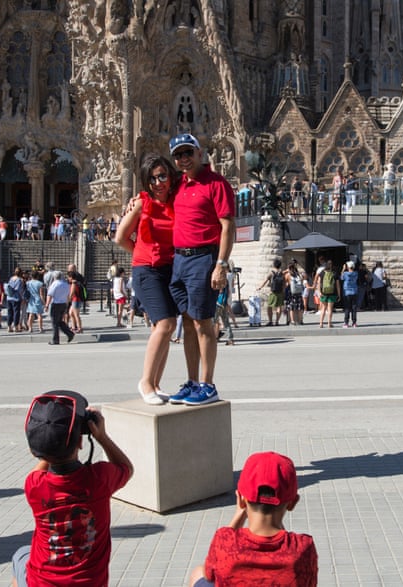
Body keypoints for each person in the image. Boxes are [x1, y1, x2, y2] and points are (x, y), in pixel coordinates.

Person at [12, 390, 133, 587]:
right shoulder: (100, 478)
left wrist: (47, 441)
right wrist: (101, 436)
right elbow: (126, 468)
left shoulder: (34, 485)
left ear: (34, 450)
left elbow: (44, 460)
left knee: (20, 556)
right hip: (91, 583)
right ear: (80, 441)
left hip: (42, 583)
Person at [166, 133, 235, 406]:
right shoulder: (179, 185)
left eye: (188, 153)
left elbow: (227, 226)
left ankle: (208, 384)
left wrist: (221, 264)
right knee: (187, 324)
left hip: (202, 259)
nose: (183, 159)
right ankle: (192, 381)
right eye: (178, 155)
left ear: (199, 153)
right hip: (179, 260)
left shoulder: (216, 183)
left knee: (203, 322)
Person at [188, 451, 318, 587]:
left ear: (240, 499)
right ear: (293, 503)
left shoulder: (224, 541)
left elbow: (209, 572)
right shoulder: (304, 547)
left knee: (197, 573)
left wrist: (239, 514)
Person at [116, 153, 180, 405]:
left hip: (168, 268)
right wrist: (142, 254)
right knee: (164, 324)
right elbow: (120, 237)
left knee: (167, 326)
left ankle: (155, 383)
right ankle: (145, 381)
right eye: (152, 178)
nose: (158, 182)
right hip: (146, 270)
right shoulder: (142, 204)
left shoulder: (175, 202)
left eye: (163, 175)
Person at [45, 271, 75, 345]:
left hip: (56, 304)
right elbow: (68, 295)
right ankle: (69, 333)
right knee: (59, 321)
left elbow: (50, 295)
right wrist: (67, 303)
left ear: (54, 277)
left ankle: (55, 340)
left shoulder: (54, 284)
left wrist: (47, 305)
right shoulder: (66, 284)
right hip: (63, 304)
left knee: (54, 322)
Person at [258, 258, 285, 327]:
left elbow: (266, 281)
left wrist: (260, 287)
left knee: (269, 306)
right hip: (280, 292)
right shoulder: (282, 273)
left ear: (274, 265)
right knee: (279, 307)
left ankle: (270, 321)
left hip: (273, 292)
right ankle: (277, 321)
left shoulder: (272, 273)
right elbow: (284, 284)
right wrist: (283, 291)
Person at [314, 259, 339, 328]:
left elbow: (319, 283)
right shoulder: (334, 273)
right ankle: (329, 323)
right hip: (332, 293)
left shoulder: (322, 273)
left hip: (323, 293)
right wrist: (339, 294)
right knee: (330, 309)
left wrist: (319, 292)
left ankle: (321, 323)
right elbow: (337, 285)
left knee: (323, 308)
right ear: (331, 265)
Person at [5, 268, 26, 333]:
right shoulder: (20, 280)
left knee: (9, 312)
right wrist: (22, 298)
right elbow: (20, 290)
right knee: (16, 312)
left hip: (9, 297)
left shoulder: (11, 278)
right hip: (16, 298)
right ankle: (16, 327)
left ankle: (9, 326)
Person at [285, 260, 305, 326]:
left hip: (292, 293)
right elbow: (303, 279)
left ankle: (292, 321)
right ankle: (300, 321)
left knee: (291, 307)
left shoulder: (288, 275)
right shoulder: (298, 274)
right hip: (299, 292)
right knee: (299, 307)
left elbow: (285, 283)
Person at [341, 260, 359, 327]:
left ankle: (346, 323)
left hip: (347, 292)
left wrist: (343, 269)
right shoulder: (356, 273)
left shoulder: (345, 274)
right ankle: (354, 323)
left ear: (348, 267)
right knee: (354, 308)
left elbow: (341, 277)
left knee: (347, 308)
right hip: (354, 291)